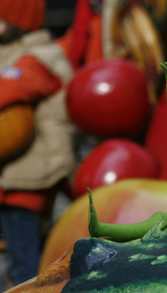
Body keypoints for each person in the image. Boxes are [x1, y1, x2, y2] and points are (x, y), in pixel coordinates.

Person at [0, 0, 76, 285]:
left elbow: (8, 88)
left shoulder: (40, 57)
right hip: (17, 171)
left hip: (32, 171)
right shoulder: (14, 54)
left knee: (26, 257)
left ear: (17, 21)